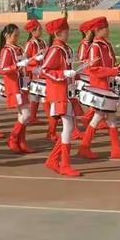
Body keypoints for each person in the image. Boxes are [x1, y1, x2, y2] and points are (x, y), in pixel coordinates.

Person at [79, 17, 120, 160]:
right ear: (97, 30)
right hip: (100, 86)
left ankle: (115, 149)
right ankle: (85, 147)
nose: (108, 30)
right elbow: (93, 69)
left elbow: (112, 65)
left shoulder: (106, 45)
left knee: (110, 118)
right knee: (99, 117)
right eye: (105, 28)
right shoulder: (95, 47)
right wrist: (113, 71)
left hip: (107, 85)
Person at [42, 17, 83, 177]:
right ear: (58, 33)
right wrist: (63, 74)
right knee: (68, 127)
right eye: (66, 31)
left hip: (67, 91)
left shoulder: (65, 49)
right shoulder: (55, 50)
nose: (68, 34)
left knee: (69, 127)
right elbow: (45, 70)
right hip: (59, 92)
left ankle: (54, 159)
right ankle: (63, 163)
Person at [0, 24, 41, 153]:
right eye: (15, 35)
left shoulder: (19, 48)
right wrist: (16, 66)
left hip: (22, 85)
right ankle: (13, 138)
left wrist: (33, 66)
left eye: (18, 35)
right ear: (7, 35)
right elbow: (3, 69)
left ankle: (21, 142)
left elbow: (25, 66)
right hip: (14, 86)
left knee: (23, 116)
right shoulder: (6, 50)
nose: (17, 38)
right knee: (26, 114)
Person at [24, 20, 47, 124]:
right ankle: (36, 116)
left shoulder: (42, 42)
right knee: (38, 96)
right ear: (33, 31)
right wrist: (35, 60)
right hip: (34, 73)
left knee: (38, 95)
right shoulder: (30, 44)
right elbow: (25, 60)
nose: (41, 31)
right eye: (39, 29)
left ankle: (33, 116)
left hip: (42, 71)